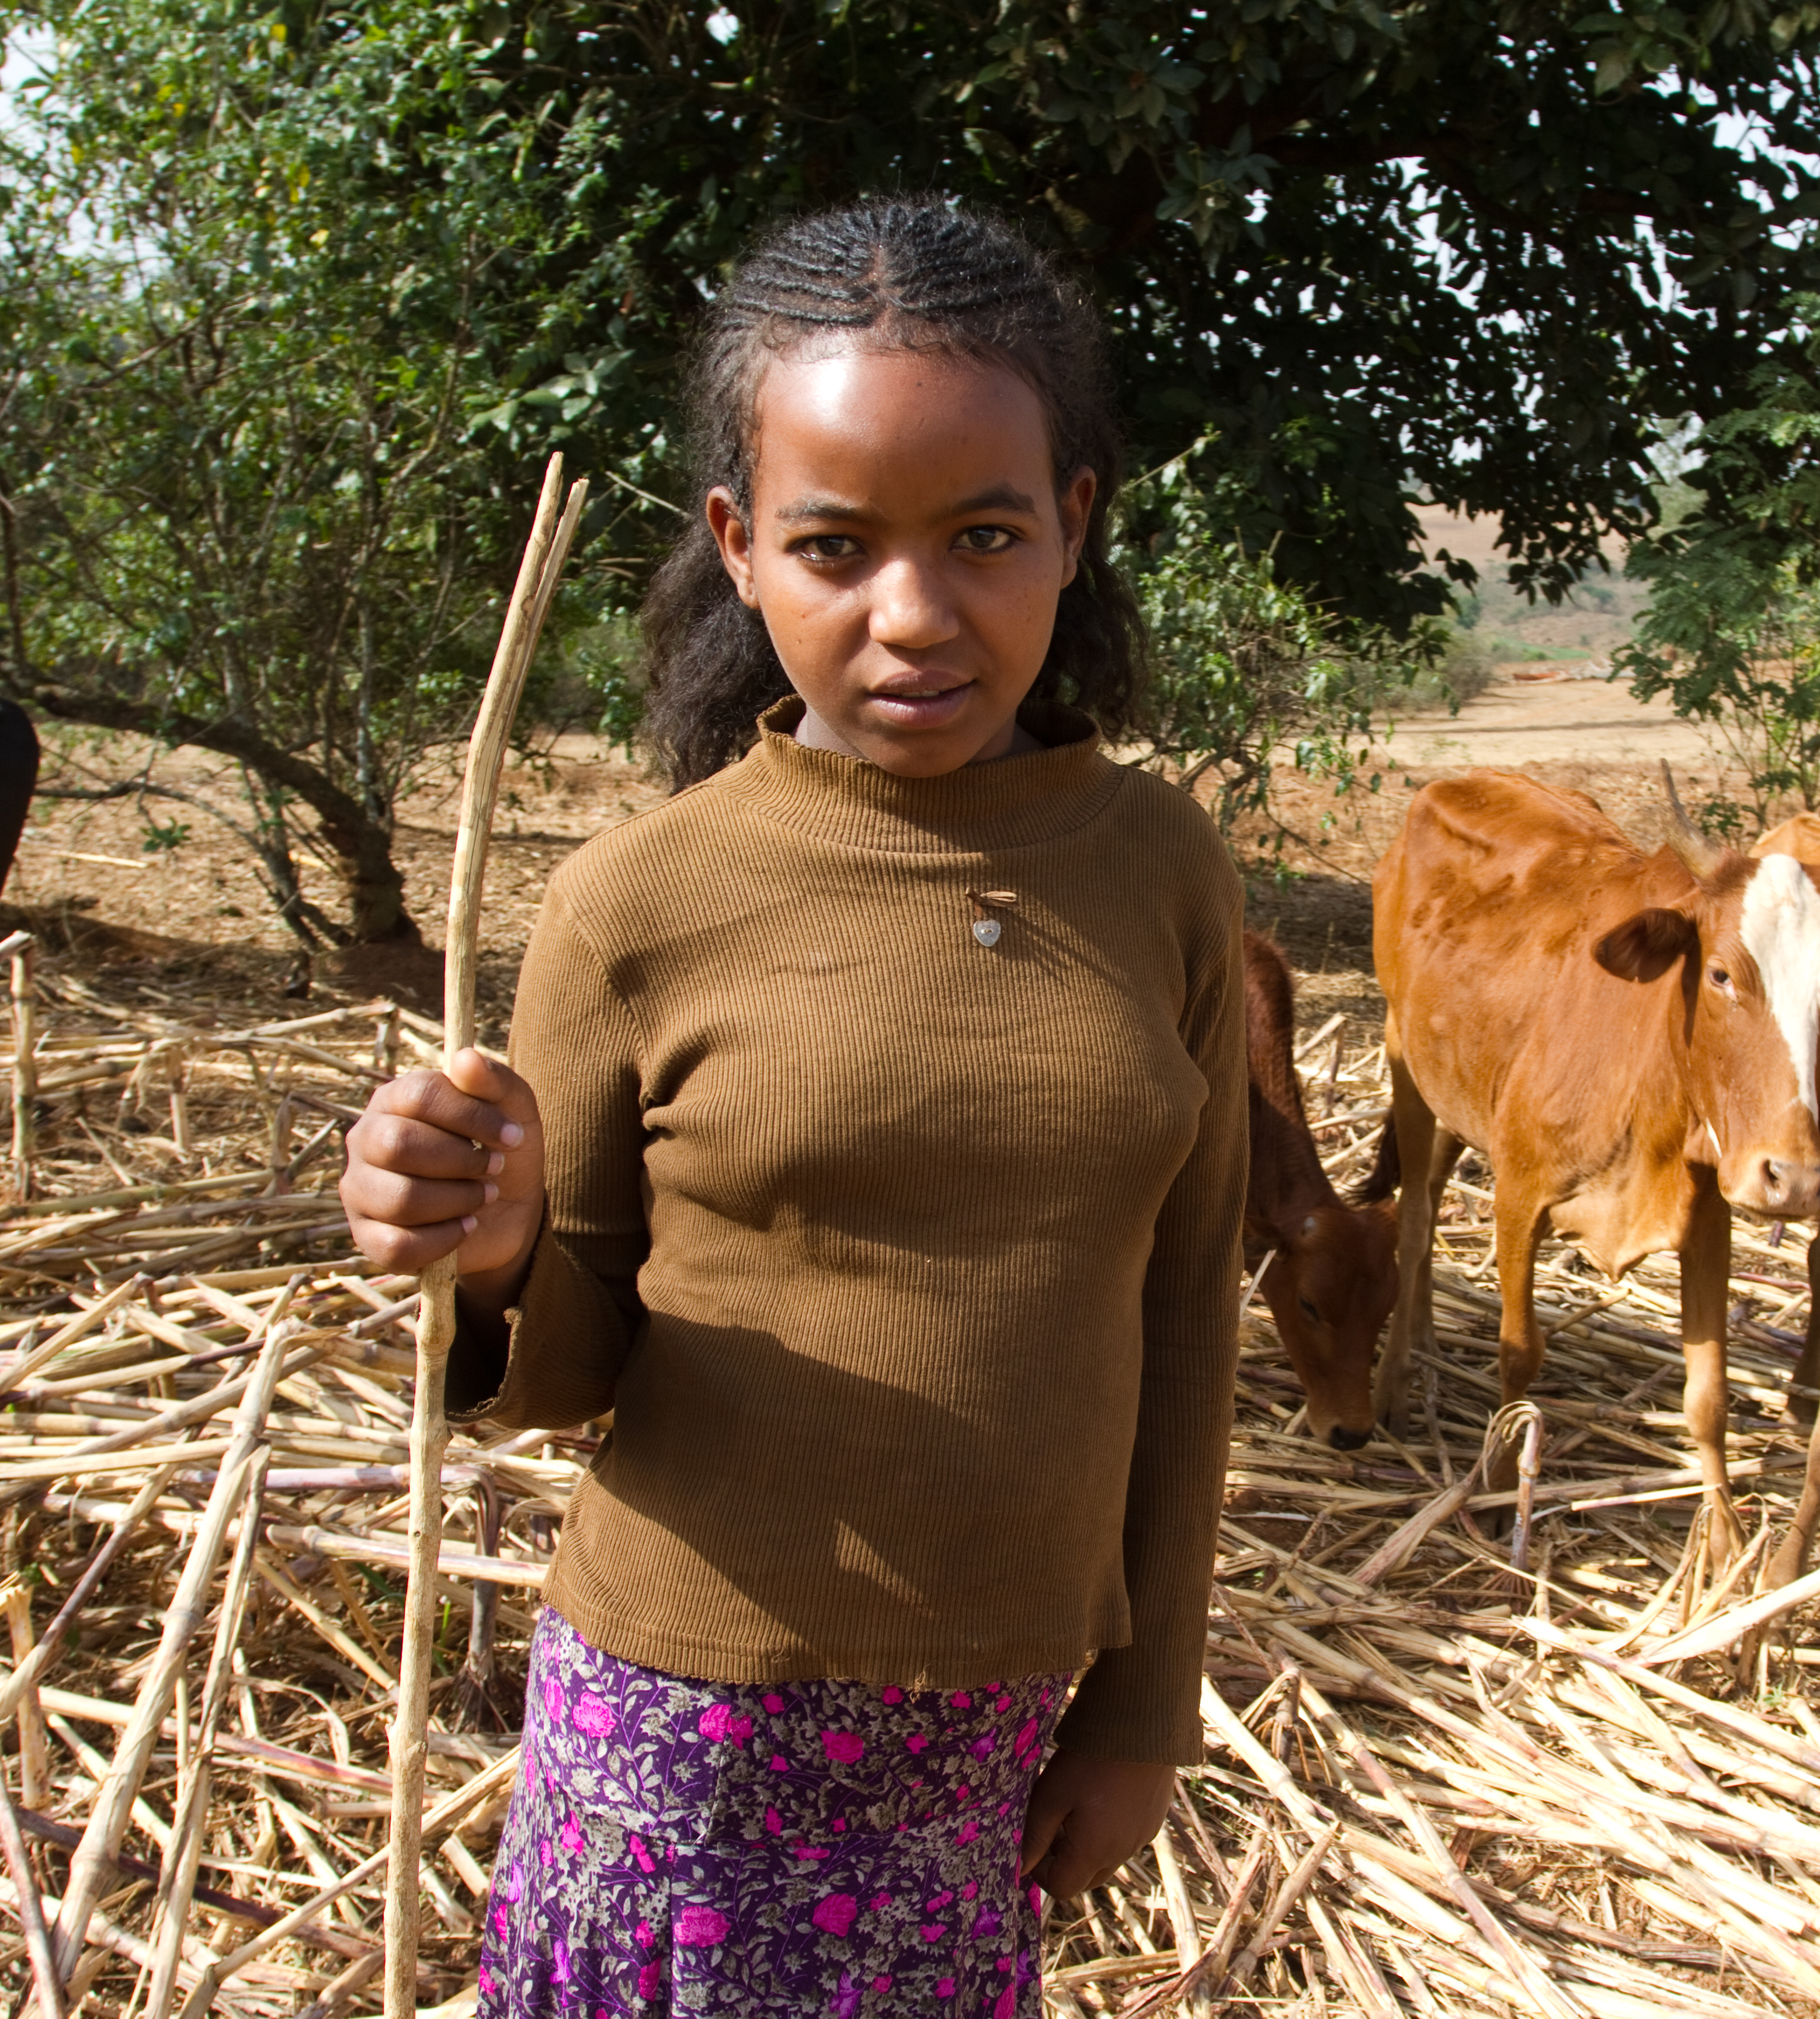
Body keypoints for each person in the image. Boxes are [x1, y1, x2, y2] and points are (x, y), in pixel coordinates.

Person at [338, 198, 1248, 2018]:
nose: (913, 616)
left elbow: (1190, 1299)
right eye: (837, 546)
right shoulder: (637, 904)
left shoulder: (1160, 872)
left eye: (986, 534)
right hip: (688, 1737)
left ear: (1078, 521)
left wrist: (1144, 1710)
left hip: (989, 1741)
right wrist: (493, 1246)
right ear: (741, 550)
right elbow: (579, 1359)